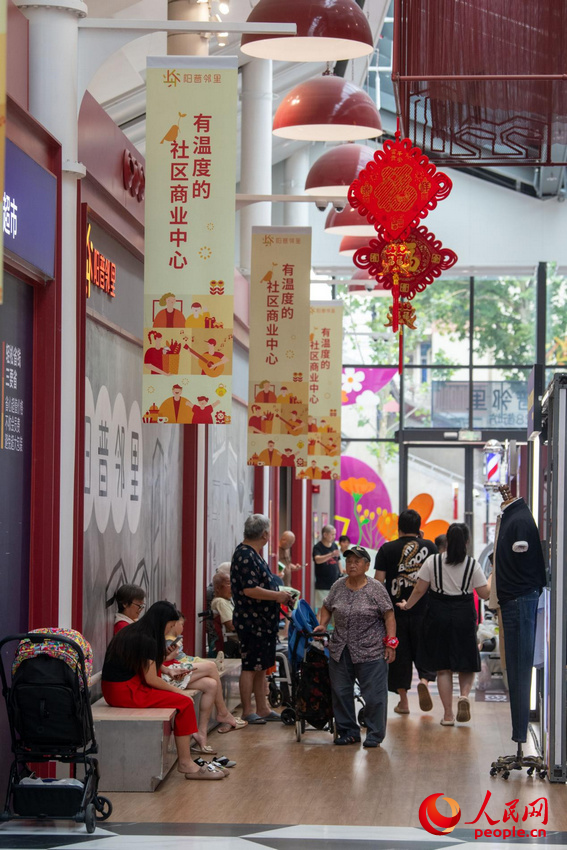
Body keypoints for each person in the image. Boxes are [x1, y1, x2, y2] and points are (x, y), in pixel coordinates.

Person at [101, 601, 225, 780]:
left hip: (116, 689)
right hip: (125, 692)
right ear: (163, 621)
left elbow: (144, 667)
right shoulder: (148, 639)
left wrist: (168, 670)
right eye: (171, 624)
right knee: (184, 702)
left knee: (183, 699)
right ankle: (185, 763)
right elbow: (151, 679)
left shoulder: (136, 631)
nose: (171, 628)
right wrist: (179, 692)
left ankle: (186, 758)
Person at [397, 522, 491, 726]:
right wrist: (491, 578)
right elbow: (485, 594)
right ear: (466, 541)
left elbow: (419, 590)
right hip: (464, 614)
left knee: (442, 668)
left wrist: (407, 606)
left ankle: (448, 715)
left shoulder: (433, 561)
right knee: (466, 662)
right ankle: (464, 696)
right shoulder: (472, 564)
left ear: (447, 540)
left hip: (438, 614)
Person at [314, 545, 397, 748]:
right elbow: (327, 606)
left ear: (367, 565)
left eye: (357, 561)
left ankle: (375, 734)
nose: (351, 565)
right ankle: (349, 732)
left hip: (371, 650)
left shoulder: (376, 587)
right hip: (341, 648)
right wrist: (323, 623)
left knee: (374, 696)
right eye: (349, 561)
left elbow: (389, 615)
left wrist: (391, 643)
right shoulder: (338, 586)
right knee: (341, 692)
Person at [231, 514, 294, 723]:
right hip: (252, 621)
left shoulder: (252, 553)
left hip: (262, 621)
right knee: (250, 666)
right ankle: (248, 710)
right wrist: (277, 596)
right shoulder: (246, 555)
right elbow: (250, 589)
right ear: (265, 534)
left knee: (261, 666)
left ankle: (263, 707)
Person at [374, 509, 438, 715]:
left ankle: (403, 702)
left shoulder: (387, 549)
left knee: (399, 656)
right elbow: (437, 579)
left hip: (395, 614)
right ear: (419, 527)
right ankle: (425, 682)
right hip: (425, 610)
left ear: (399, 527)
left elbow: (378, 582)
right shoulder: (430, 547)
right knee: (425, 651)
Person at [163, 612, 246, 748]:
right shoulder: (159, 637)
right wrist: (169, 656)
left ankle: (202, 733)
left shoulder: (164, 638)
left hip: (171, 671)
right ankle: (223, 712)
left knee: (211, 684)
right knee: (211, 666)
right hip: (167, 674)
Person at [210, 573, 239, 658]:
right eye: (228, 584)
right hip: (234, 640)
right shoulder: (220, 602)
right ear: (218, 588)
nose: (232, 587)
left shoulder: (228, 601)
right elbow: (232, 626)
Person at [313, 525, 340, 611]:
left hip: (335, 583)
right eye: (332, 534)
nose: (334, 537)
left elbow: (337, 560)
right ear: (325, 535)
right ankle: (319, 624)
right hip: (323, 584)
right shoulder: (318, 547)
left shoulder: (334, 545)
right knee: (322, 610)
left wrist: (341, 570)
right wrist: (331, 554)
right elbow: (317, 560)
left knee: (335, 610)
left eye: (335, 534)